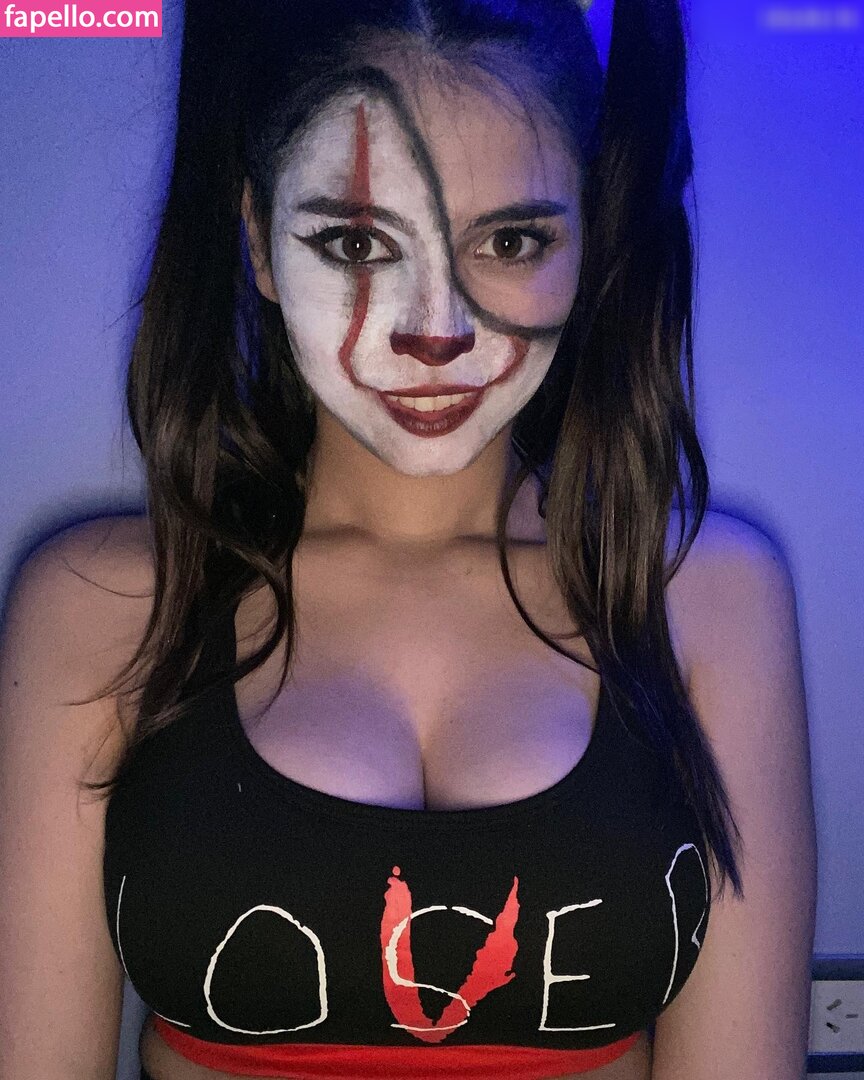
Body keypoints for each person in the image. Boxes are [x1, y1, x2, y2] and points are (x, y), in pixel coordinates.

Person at [0, 0, 817, 1078]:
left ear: (588, 238)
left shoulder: (706, 597)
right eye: (356, 243)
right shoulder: (101, 605)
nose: (438, 328)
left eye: (510, 241)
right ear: (257, 239)